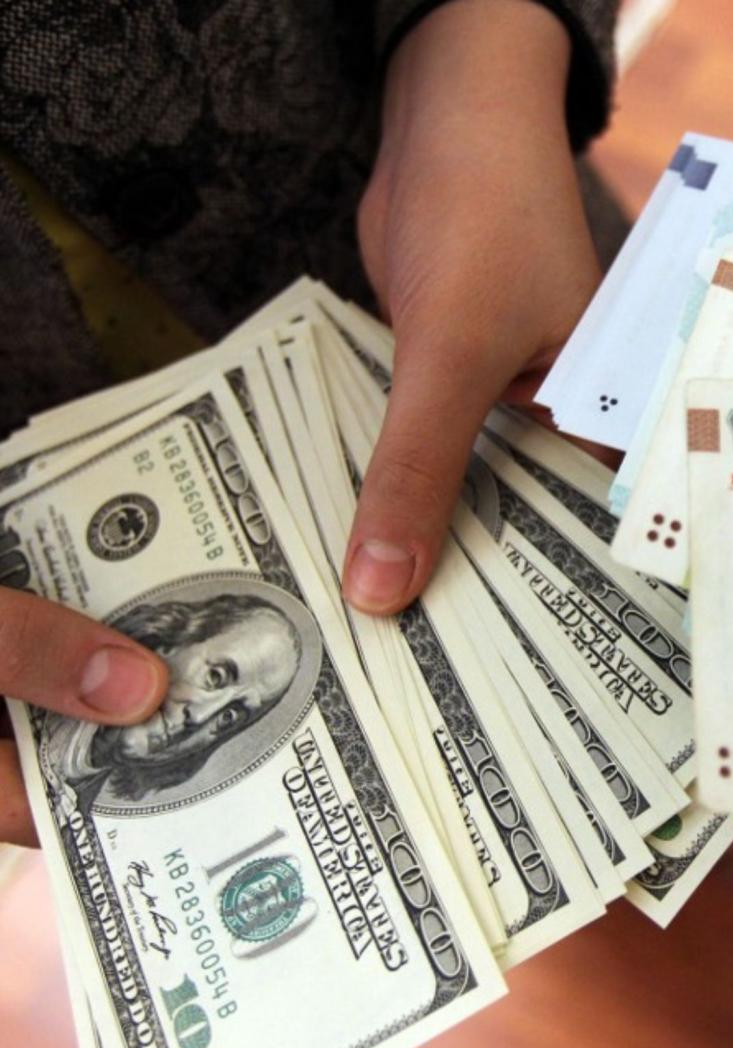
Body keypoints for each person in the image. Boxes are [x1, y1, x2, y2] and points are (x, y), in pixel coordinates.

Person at [0, 0, 623, 845]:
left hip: (471, 254)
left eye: (222, 675)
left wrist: (482, 69)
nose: (204, 710)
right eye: (235, 694)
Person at [45, 593, 302, 812]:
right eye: (215, 677)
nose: (200, 717)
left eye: (229, 717)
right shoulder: (47, 671)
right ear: (172, 641)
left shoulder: (76, 808)